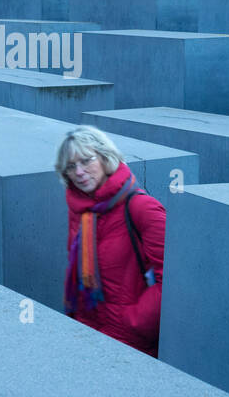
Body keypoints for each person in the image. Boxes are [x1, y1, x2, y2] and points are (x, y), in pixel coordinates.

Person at [56, 125, 166, 357]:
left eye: (86, 161)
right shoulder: (80, 210)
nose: (79, 172)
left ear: (106, 157)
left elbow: (170, 279)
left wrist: (133, 323)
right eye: (71, 167)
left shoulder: (142, 208)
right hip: (86, 331)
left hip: (128, 339)